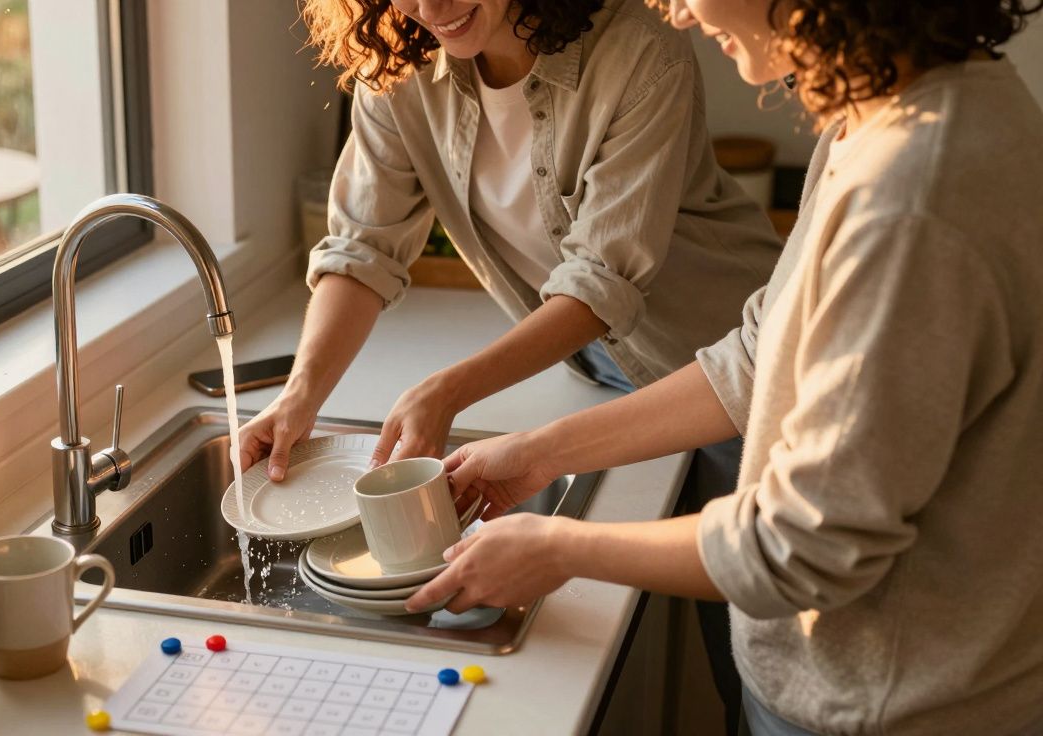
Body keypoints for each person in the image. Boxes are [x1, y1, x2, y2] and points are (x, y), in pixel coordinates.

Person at [405, 0, 1043, 733]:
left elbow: (802, 546)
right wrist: (540, 453)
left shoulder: (909, 197)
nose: (672, 10)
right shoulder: (901, 112)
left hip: (893, 702)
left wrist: (558, 549)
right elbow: (758, 354)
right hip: (883, 679)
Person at [242, 3, 781, 723]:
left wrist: (452, 388)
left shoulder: (639, 51)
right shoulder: (401, 60)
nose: (431, 6)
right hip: (601, 374)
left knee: (759, 665)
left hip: (732, 372)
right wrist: (298, 396)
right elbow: (364, 247)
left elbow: (601, 279)